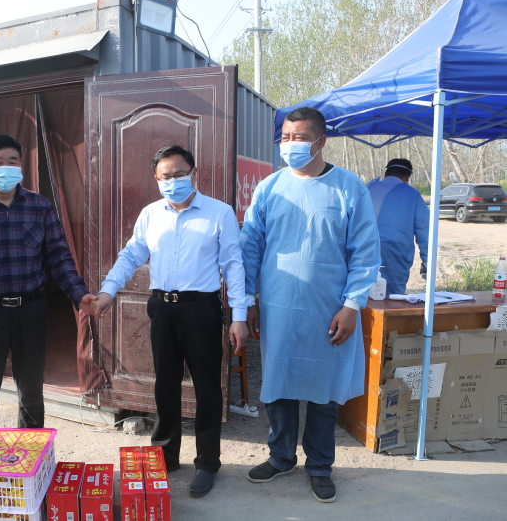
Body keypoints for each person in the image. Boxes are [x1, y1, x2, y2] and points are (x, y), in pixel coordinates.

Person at [91, 145, 250, 498]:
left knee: (207, 387)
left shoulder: (219, 213)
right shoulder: (151, 214)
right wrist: (107, 292)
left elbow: (233, 266)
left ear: (194, 173)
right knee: (165, 383)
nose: (173, 181)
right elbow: (131, 255)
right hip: (162, 308)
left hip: (201, 309)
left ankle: (207, 462)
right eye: (166, 176)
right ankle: (165, 455)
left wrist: (239, 316)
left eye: (179, 174)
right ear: (156, 179)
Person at [239, 107, 380, 503]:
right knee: (278, 383)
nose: (290, 145)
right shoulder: (270, 188)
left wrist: (352, 304)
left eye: (299, 137)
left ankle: (319, 465)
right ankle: (281, 456)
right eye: (285, 137)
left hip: (329, 308)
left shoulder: (348, 188)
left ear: (320, 141)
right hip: (279, 305)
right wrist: (248, 299)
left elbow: (365, 251)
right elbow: (250, 248)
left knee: (324, 389)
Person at [0, 134, 96, 453]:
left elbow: (58, 257)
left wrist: (79, 295)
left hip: (31, 311)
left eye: (13, 161)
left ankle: (32, 462)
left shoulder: (40, 207)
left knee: (32, 392)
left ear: (21, 165)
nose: (6, 167)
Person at [367, 158, 429, 294]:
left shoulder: (368, 188)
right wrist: (426, 259)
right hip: (395, 253)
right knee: (393, 296)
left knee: (363, 294)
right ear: (407, 177)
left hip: (364, 250)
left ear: (385, 174)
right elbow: (424, 228)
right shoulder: (412, 194)